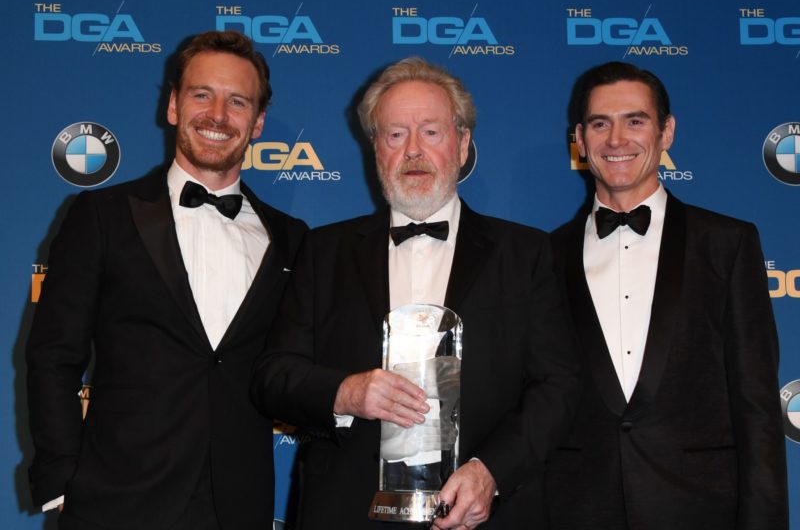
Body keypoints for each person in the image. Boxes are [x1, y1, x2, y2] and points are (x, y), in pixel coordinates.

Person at [251, 57, 581, 530]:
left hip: (484, 515)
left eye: (431, 132)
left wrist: (490, 473)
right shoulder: (323, 250)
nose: (412, 151)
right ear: (375, 148)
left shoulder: (524, 253)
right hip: (347, 512)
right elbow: (273, 376)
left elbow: (558, 386)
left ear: (463, 144)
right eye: (395, 134)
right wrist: (346, 393)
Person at [26, 30, 307, 530]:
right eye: (202, 94)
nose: (218, 115)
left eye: (237, 101)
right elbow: (54, 355)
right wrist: (61, 480)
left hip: (239, 504)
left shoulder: (293, 239)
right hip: (115, 501)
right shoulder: (102, 215)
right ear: (174, 105)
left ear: (257, 122)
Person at [547, 61, 788, 530]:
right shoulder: (544, 256)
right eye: (600, 123)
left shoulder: (727, 243)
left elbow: (756, 406)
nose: (616, 140)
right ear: (579, 138)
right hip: (577, 510)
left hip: (701, 510)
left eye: (635, 121)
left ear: (667, 132)